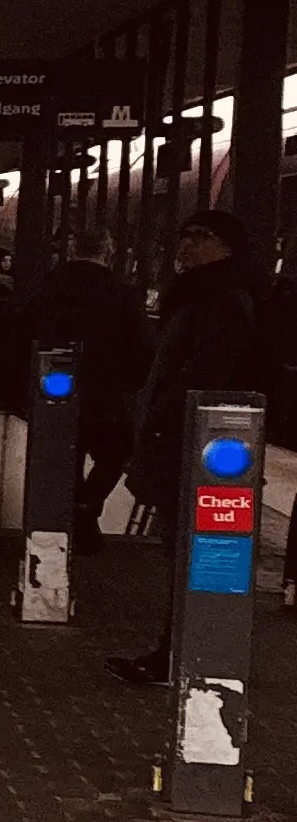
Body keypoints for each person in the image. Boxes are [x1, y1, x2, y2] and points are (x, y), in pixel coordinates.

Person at [108, 208, 269, 684]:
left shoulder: (224, 299)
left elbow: (204, 369)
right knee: (187, 548)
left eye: (201, 236)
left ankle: (186, 656)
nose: (187, 245)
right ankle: (180, 652)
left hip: (198, 440)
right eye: (184, 235)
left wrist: (161, 414)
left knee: (197, 549)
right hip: (190, 437)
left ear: (228, 246)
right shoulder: (205, 295)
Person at [27, 237, 145, 545]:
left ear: (71, 251)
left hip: (53, 389)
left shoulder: (48, 288)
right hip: (108, 394)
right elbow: (140, 348)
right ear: (107, 252)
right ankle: (86, 507)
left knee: (63, 458)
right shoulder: (121, 293)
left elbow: (23, 335)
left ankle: (68, 518)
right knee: (115, 453)